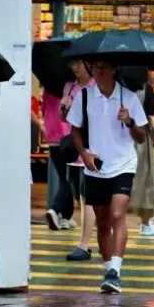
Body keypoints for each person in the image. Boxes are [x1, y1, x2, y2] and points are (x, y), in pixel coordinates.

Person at [67, 59, 147, 294]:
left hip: (123, 165)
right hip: (95, 166)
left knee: (116, 214)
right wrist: (84, 153)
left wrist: (129, 121)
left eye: (104, 67)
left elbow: (141, 137)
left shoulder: (129, 98)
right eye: (96, 67)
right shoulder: (84, 97)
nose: (99, 70)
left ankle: (116, 271)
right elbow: (74, 130)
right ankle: (109, 268)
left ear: (114, 69)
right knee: (102, 221)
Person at [45, 59, 91, 231]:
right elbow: (64, 118)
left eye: (78, 63)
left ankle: (63, 214)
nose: (75, 67)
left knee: (78, 184)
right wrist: (64, 108)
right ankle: (62, 214)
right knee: (71, 180)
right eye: (72, 64)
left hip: (91, 143)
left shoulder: (95, 86)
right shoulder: (68, 87)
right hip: (71, 141)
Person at [130, 78, 154, 236]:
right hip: (141, 139)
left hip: (118, 136)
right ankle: (146, 223)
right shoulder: (145, 88)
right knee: (146, 178)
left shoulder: (114, 85)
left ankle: (110, 222)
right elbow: (151, 115)